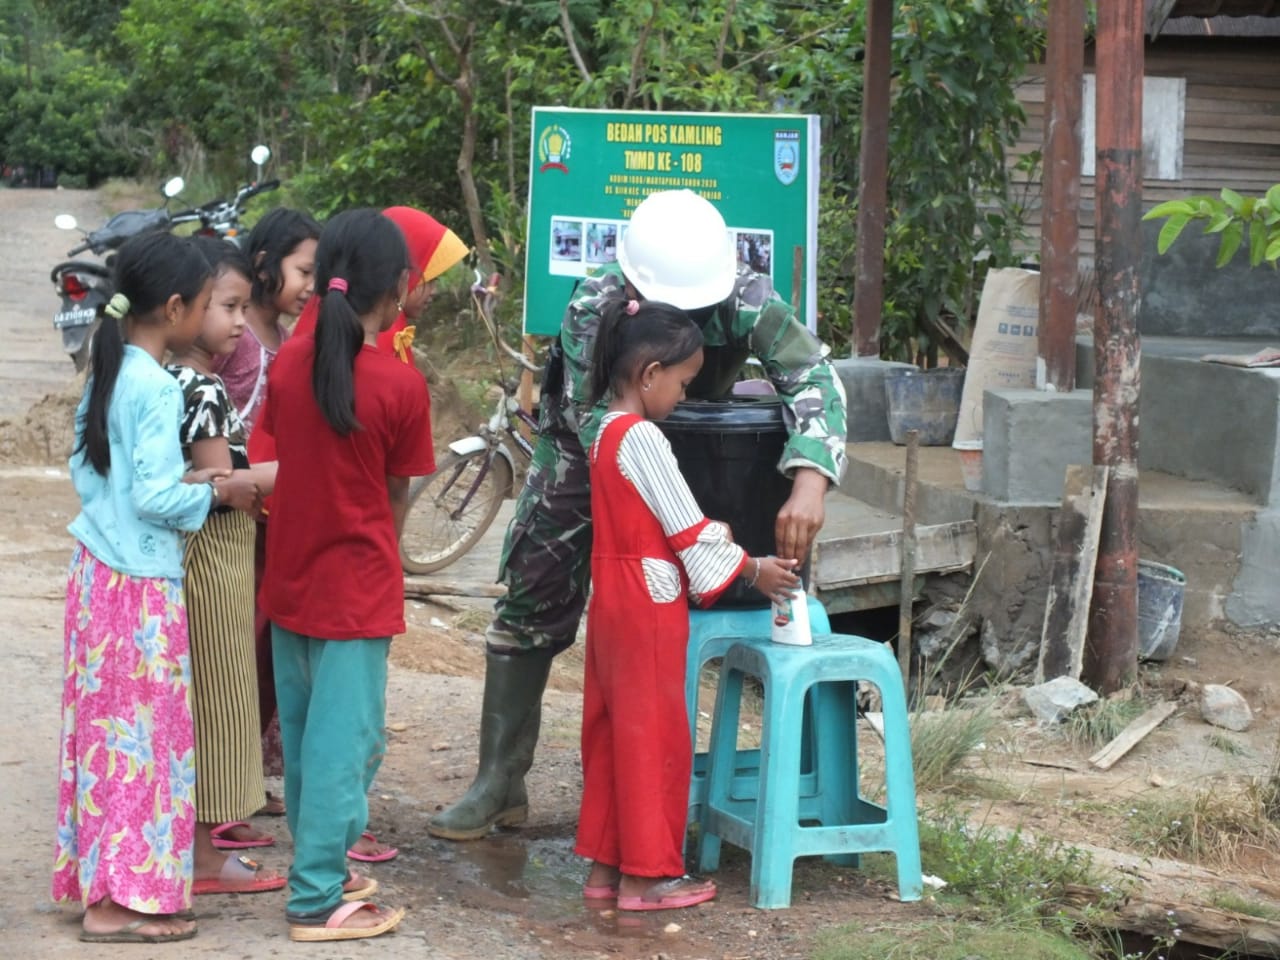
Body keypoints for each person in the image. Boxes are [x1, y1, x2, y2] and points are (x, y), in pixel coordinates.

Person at [428, 188, 848, 842]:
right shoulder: (596, 304)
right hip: (588, 438)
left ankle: (736, 794)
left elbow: (814, 378)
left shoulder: (745, 297)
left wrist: (811, 478)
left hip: (700, 448)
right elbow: (594, 422)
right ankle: (499, 783)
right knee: (533, 589)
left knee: (703, 592)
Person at [52, 232, 252, 943]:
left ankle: (101, 884)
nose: (216, 317)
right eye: (208, 304)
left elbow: (91, 472)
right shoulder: (158, 386)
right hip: (138, 592)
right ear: (174, 309)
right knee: (142, 745)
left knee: (106, 743)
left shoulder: (111, 373)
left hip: (97, 576)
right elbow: (155, 500)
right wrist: (228, 487)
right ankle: (120, 902)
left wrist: (165, 492)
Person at [258, 204, 468, 863]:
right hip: (358, 590)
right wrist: (384, 557)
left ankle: (314, 859)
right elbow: (396, 491)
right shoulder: (401, 386)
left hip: (289, 580)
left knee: (303, 735)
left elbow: (285, 458)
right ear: (401, 284)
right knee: (346, 743)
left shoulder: (288, 366)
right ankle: (318, 892)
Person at [577, 298, 799, 911]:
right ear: (650, 375)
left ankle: (605, 870)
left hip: (611, 600)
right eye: (683, 382)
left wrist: (716, 538)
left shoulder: (599, 430)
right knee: (654, 738)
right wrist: (754, 568)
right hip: (649, 604)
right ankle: (646, 878)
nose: (683, 395)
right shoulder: (644, 436)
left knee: (612, 732)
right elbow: (685, 528)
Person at [166, 238, 286, 894]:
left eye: (244, 307)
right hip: (214, 554)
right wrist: (295, 473)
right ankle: (207, 860)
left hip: (185, 551)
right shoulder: (201, 386)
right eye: (229, 306)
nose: (241, 322)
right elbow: (223, 480)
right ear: (183, 306)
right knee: (218, 700)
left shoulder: (156, 375)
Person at [214, 207, 321, 822]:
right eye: (302, 269)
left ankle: (245, 774)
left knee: (262, 653)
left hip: (274, 518)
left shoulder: (289, 342)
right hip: (231, 514)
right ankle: (223, 782)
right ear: (263, 264)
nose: (310, 284)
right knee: (235, 648)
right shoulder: (236, 340)